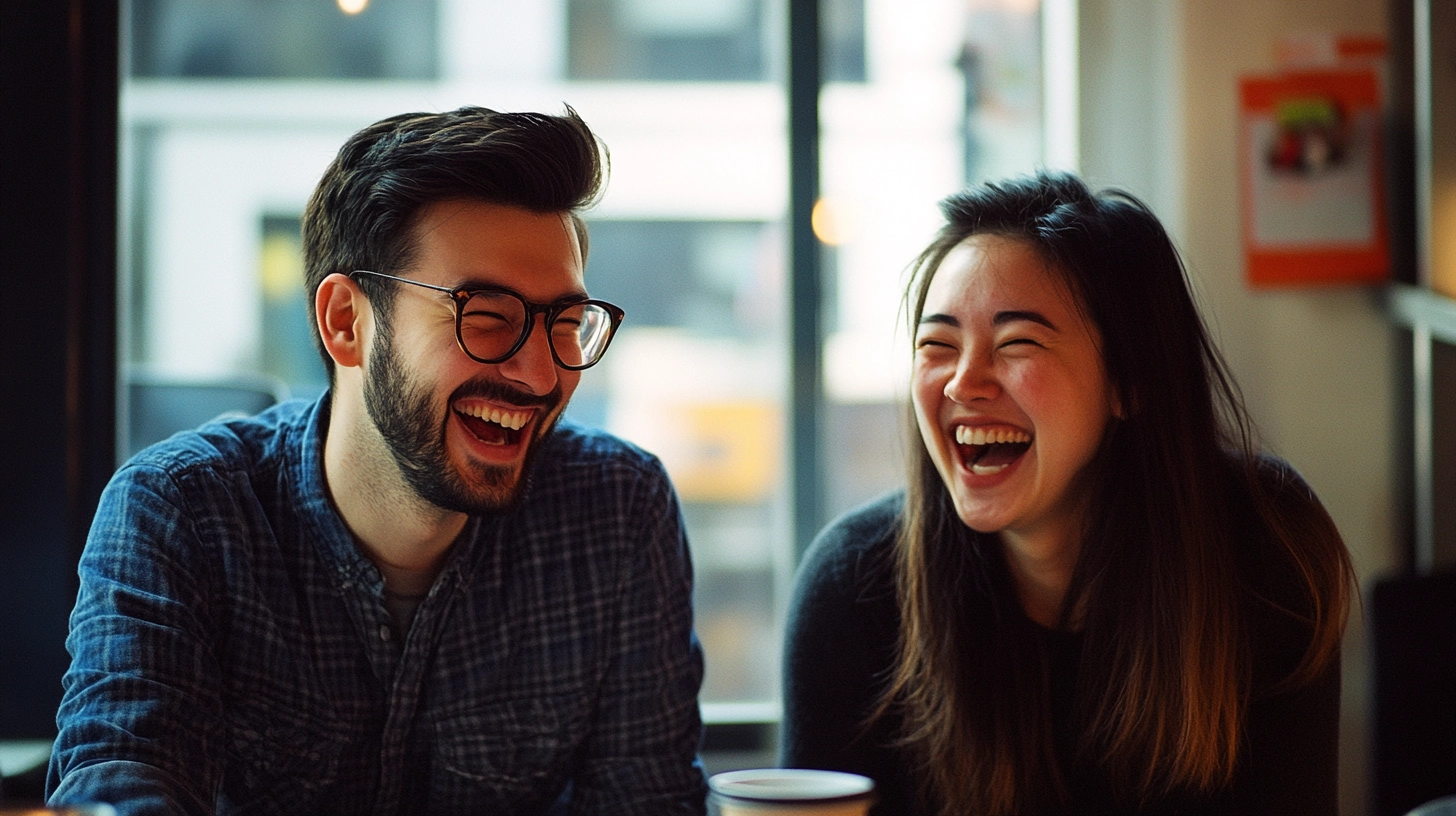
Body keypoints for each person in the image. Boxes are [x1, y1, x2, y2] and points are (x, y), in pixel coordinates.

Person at [47, 106, 708, 815]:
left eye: (566, 324)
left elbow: (651, 803)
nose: (542, 376)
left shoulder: (618, 510)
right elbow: (118, 783)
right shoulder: (183, 513)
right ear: (346, 323)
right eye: (488, 316)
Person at [780, 171, 1355, 815]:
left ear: (1130, 380)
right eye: (937, 345)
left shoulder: (1262, 548)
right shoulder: (854, 588)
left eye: (1017, 343)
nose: (963, 383)